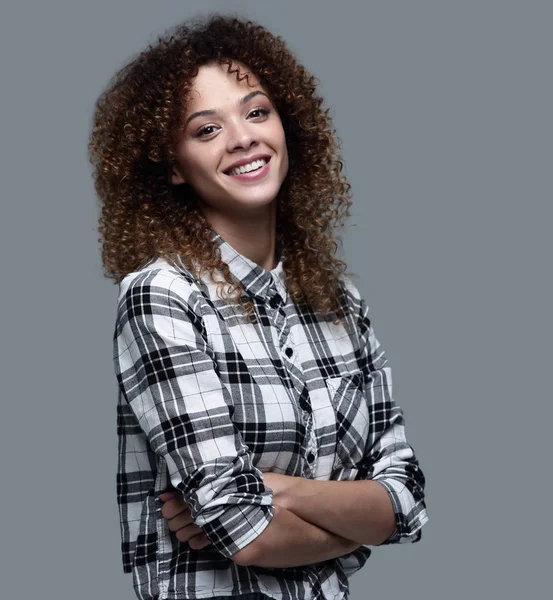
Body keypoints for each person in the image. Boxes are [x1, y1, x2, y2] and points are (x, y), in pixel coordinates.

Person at [88, 13, 429, 600]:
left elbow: (408, 498)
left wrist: (278, 489)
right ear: (172, 166)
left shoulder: (340, 301)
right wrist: (360, 522)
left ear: (286, 124)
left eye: (256, 111)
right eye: (205, 130)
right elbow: (242, 530)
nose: (243, 137)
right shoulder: (162, 297)